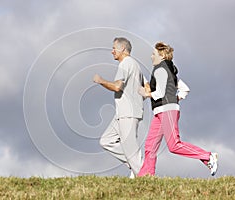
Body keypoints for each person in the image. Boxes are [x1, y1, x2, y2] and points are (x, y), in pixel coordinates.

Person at [137, 42, 218, 177]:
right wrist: (176, 98)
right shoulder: (169, 71)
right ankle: (146, 175)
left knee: (174, 145)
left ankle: (208, 156)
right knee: (150, 145)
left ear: (161, 55)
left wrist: (147, 94)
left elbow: (161, 93)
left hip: (167, 111)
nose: (151, 57)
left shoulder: (161, 70)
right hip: (160, 111)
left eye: (153, 54)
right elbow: (185, 89)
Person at [93, 37, 147, 177]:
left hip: (128, 113)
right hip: (124, 113)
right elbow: (146, 89)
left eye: (114, 48)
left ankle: (146, 177)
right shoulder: (135, 65)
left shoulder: (125, 63)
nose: (112, 52)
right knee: (106, 140)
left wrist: (101, 81)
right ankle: (133, 163)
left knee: (131, 150)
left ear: (122, 49)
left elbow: (117, 86)